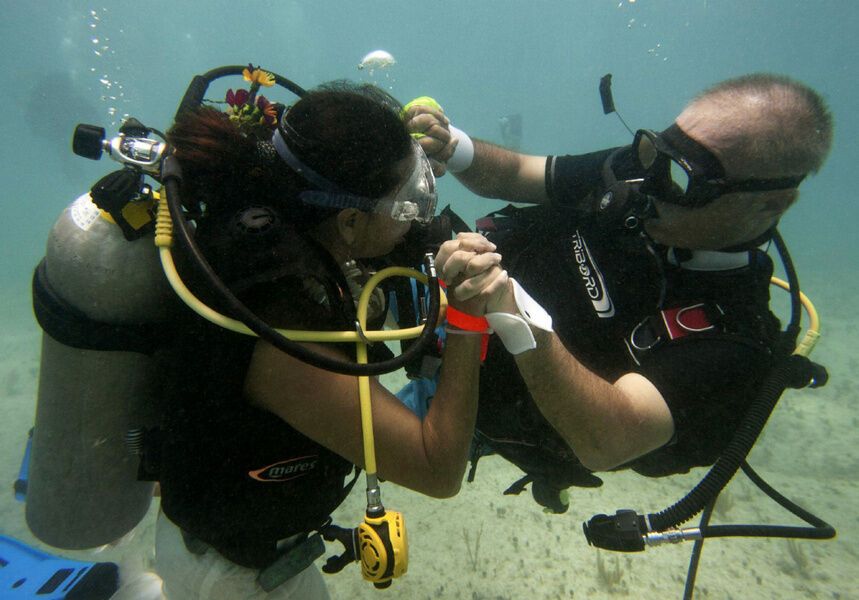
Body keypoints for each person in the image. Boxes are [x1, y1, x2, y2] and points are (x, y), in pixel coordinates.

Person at [403, 73, 833, 511]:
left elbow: (605, 440)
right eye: (655, 152)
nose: (649, 182)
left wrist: (512, 312)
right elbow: (517, 174)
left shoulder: (738, 340)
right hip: (446, 295)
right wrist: (453, 146)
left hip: (478, 400)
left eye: (683, 178)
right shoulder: (639, 172)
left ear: (771, 203)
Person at [153, 79, 508, 598]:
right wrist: (467, 319)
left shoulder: (294, 220)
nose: (414, 218)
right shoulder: (279, 324)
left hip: (251, 551)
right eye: (405, 204)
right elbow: (437, 469)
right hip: (231, 576)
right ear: (349, 221)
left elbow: (391, 241)